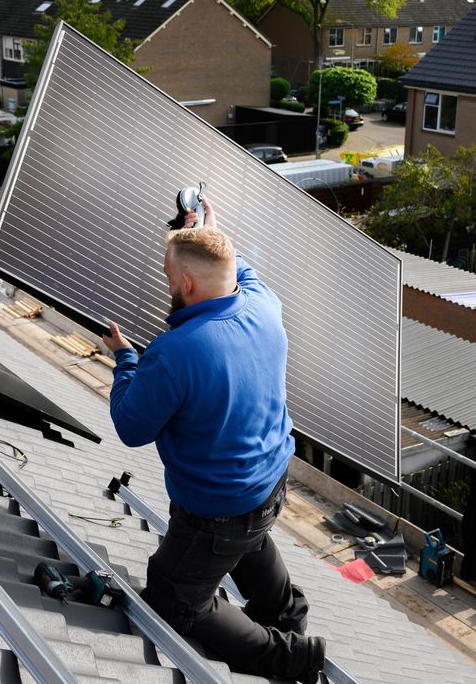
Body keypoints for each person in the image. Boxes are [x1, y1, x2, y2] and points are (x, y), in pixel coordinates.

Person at [101, 197, 325, 683]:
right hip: (269, 483)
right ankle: (287, 612)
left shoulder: (176, 351)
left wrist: (124, 361)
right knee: (249, 536)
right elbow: (234, 269)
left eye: (168, 273)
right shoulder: (266, 304)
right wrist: (207, 233)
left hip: (216, 509)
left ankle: (289, 655)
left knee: (174, 601)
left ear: (184, 284)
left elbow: (130, 427)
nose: (166, 280)